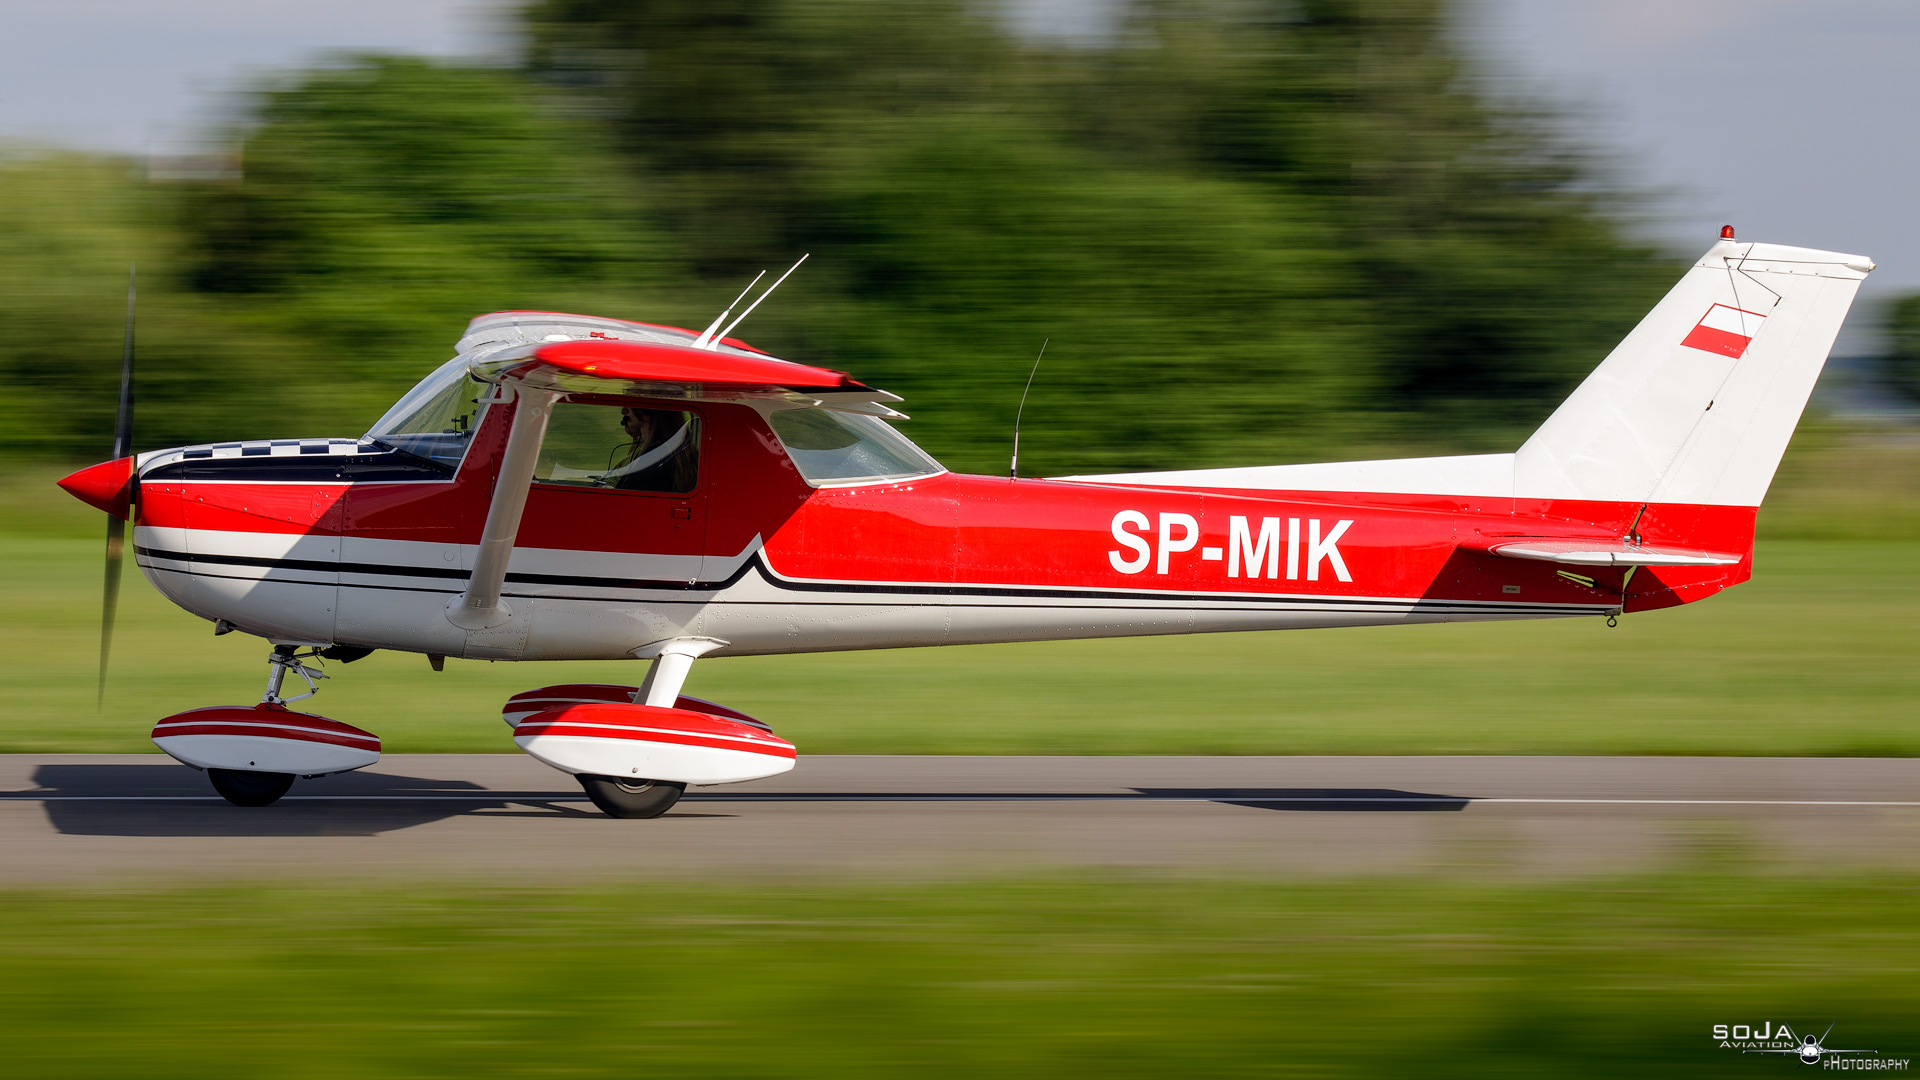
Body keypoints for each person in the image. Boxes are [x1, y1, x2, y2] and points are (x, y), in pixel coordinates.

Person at [605, 407, 698, 493]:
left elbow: (627, 497)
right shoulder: (669, 447)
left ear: (649, 411)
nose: (623, 411)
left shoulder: (655, 457)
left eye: (631, 406)